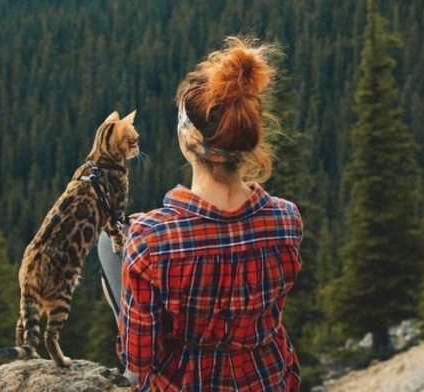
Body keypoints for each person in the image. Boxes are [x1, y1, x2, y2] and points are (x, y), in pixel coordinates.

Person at [99, 36, 303, 391]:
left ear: (190, 140)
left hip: (183, 382)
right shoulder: (286, 220)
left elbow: (140, 357)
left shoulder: (150, 239)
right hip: (267, 380)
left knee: (109, 241)